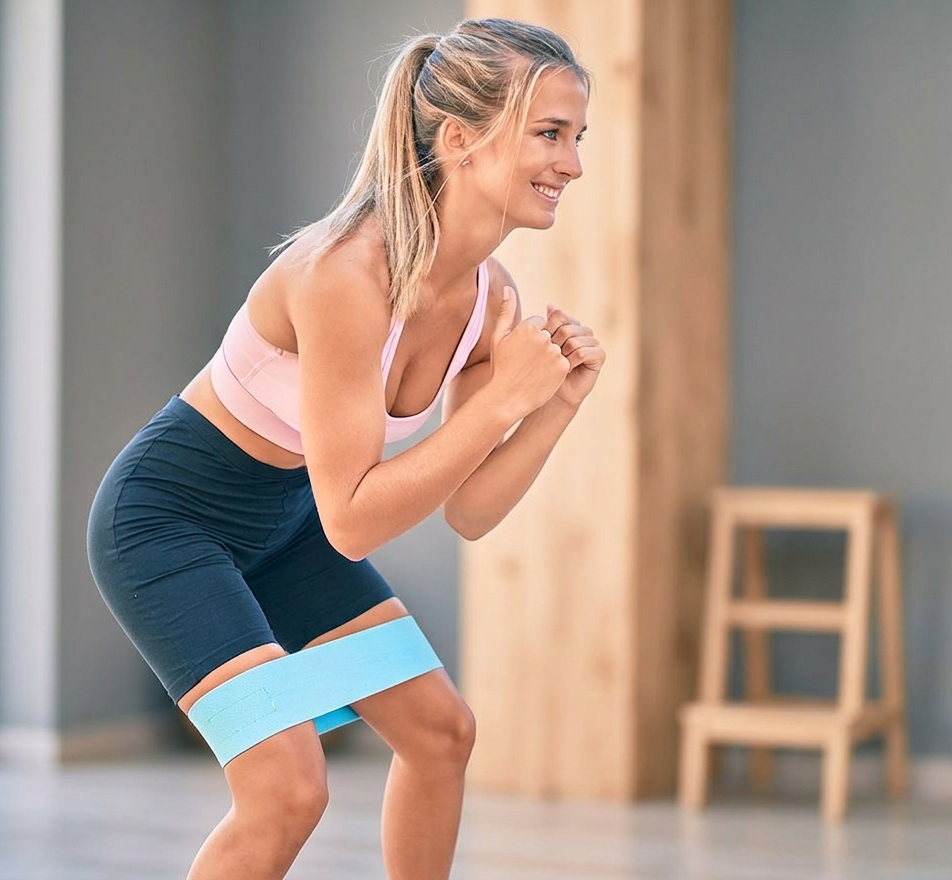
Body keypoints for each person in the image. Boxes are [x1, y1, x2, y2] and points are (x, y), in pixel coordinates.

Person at [87, 17, 603, 880]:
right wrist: (501, 400)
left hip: (291, 524)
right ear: (459, 140)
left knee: (441, 734)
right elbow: (355, 522)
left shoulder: (491, 300)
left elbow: (470, 511)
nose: (572, 164)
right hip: (170, 522)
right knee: (286, 790)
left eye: (577, 137)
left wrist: (551, 408)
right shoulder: (342, 275)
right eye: (549, 134)